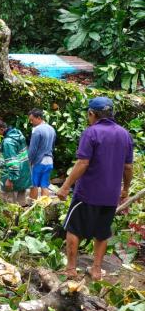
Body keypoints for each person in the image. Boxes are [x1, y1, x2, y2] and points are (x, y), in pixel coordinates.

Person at [57, 97, 133, 281]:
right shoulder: (125, 134)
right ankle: (96, 270)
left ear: (92, 114)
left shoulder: (91, 133)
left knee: (74, 229)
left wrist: (65, 186)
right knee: (102, 231)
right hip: (110, 195)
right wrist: (125, 189)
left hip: (87, 193)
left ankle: (70, 269)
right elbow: (128, 167)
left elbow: (83, 162)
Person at [0, 119, 31, 205]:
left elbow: (12, 161)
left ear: (1, 129)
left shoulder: (8, 142)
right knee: (21, 203)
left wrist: (10, 179)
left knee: (8, 204)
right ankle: (21, 217)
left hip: (13, 175)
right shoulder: (17, 133)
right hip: (24, 172)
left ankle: (11, 218)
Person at [27, 108, 56, 200]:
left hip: (39, 161)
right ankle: (44, 209)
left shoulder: (37, 130)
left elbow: (33, 149)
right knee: (44, 185)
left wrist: (29, 161)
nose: (31, 122)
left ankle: (32, 209)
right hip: (49, 161)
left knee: (34, 185)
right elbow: (53, 145)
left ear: (39, 118)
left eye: (32, 119)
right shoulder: (52, 129)